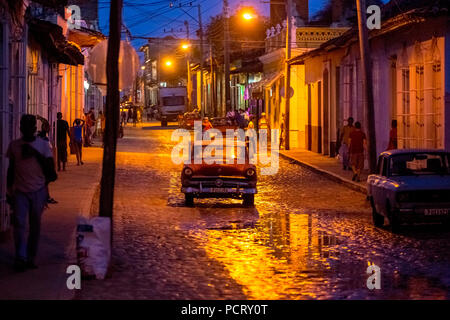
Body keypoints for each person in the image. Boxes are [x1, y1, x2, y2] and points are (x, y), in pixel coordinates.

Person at [6, 114, 56, 272]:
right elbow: (11, 169)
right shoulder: (14, 146)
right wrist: (9, 190)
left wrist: (34, 153)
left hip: (38, 190)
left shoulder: (42, 146)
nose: (27, 130)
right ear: (20, 128)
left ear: (35, 129)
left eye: (30, 127)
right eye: (24, 127)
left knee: (35, 225)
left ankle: (31, 257)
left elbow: (50, 170)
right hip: (20, 190)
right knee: (19, 224)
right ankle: (20, 256)